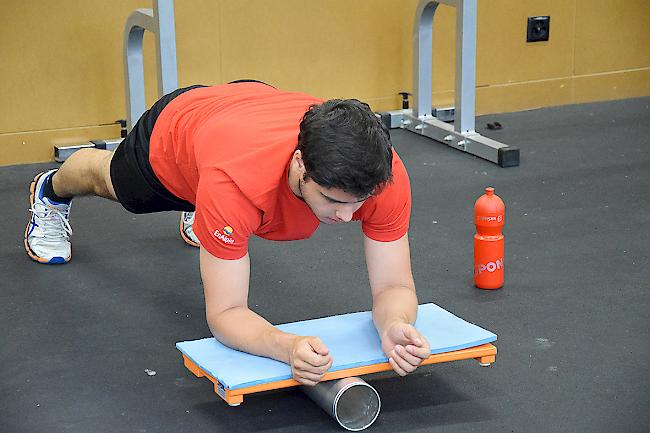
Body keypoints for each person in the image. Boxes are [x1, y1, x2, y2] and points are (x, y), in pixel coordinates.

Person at [24, 81, 431, 385]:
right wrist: (285, 346)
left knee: (222, 215)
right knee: (111, 182)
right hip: (176, 131)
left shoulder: (381, 176)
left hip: (243, 111)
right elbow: (225, 315)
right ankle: (51, 190)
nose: (347, 216)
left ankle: (209, 219)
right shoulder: (233, 186)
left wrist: (394, 323)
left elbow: (394, 284)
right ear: (300, 163)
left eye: (357, 203)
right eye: (332, 201)